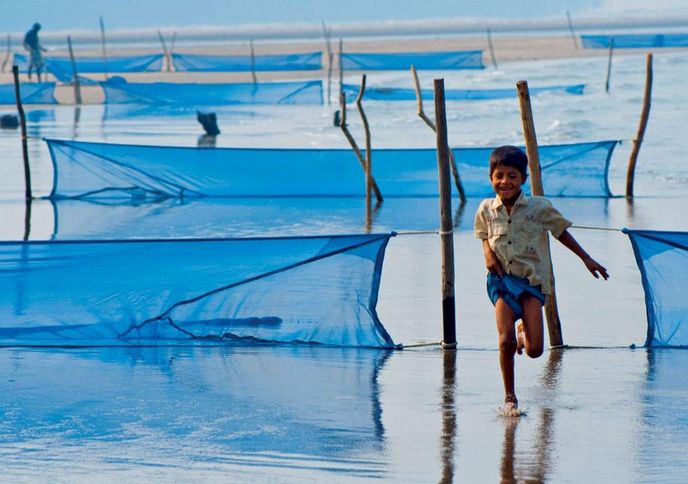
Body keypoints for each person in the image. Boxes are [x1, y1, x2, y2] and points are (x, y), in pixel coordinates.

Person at [474, 146, 608, 415]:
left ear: (523, 178)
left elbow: (561, 232)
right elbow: (482, 233)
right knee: (504, 342)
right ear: (490, 178)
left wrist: (586, 258)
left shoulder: (539, 207)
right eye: (499, 176)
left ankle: (524, 335)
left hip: (532, 284)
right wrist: (488, 253)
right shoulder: (486, 209)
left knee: (535, 350)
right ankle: (510, 396)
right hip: (501, 281)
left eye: (512, 176)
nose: (505, 182)